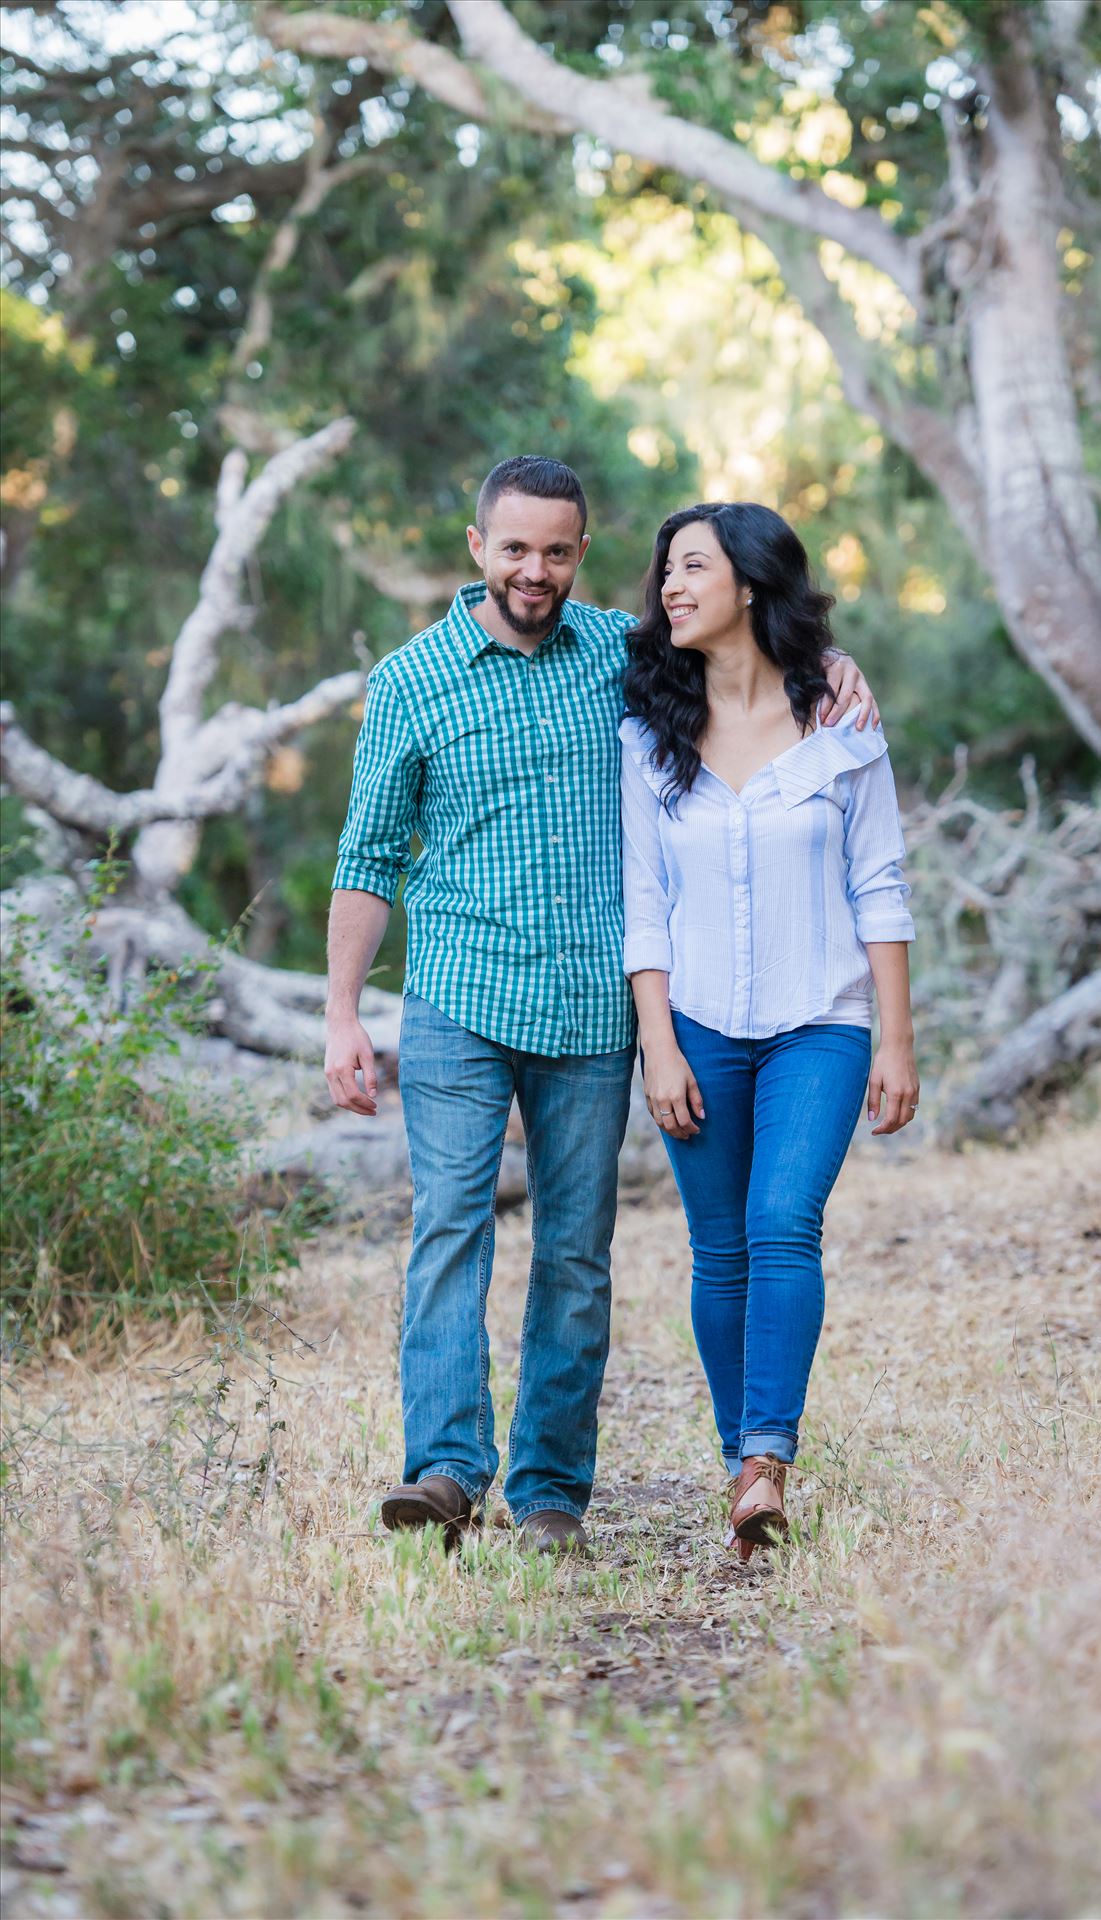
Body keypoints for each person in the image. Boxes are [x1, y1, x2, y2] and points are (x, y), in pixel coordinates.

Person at [325, 457, 877, 1555]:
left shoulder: (620, 661)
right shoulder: (412, 680)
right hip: (458, 998)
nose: (537, 570)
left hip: (590, 1012)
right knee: (450, 1231)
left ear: (582, 552)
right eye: (517, 548)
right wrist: (344, 1014)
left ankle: (548, 1498)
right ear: (478, 546)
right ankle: (443, 1470)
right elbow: (368, 854)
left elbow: (743, 646)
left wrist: (830, 659)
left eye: (560, 551)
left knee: (576, 1255)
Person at [619, 501, 919, 1561]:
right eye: (665, 571)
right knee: (719, 1250)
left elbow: (879, 884)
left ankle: (765, 1462)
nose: (670, 587)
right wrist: (657, 1041)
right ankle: (738, 1459)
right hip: (696, 1023)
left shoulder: (840, 726)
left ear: (750, 584)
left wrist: (895, 1038)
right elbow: (642, 904)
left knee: (783, 1221)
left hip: (823, 1025)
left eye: (692, 567)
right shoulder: (647, 733)